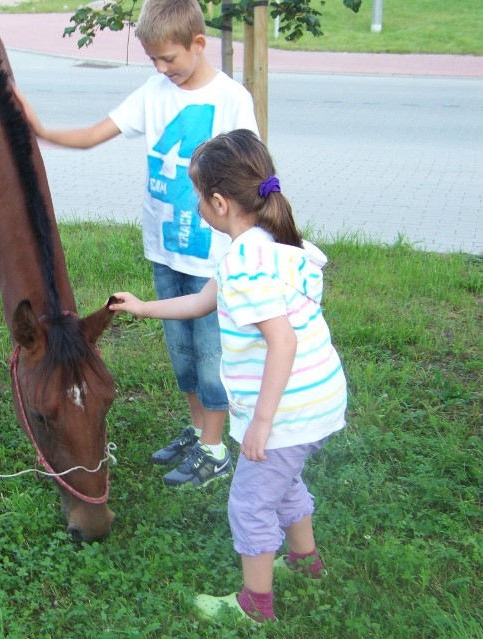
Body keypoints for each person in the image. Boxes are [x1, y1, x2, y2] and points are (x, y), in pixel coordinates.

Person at [14, 0, 259, 487]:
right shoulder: (153, 93)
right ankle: (196, 430)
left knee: (212, 358)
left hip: (213, 258)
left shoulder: (232, 99)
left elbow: (251, 173)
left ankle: (215, 449)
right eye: (153, 61)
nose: (162, 69)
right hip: (166, 252)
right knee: (183, 355)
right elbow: (93, 134)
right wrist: (41, 129)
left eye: (169, 59)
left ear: (198, 44)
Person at [109, 129, 347, 623]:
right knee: (284, 484)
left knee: (249, 504)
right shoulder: (270, 244)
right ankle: (306, 563)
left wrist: (261, 423)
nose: (196, 204)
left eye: (198, 196)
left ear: (219, 202)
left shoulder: (244, 263)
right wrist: (143, 307)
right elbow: (202, 300)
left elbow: (283, 341)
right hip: (318, 401)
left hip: (286, 412)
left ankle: (254, 607)